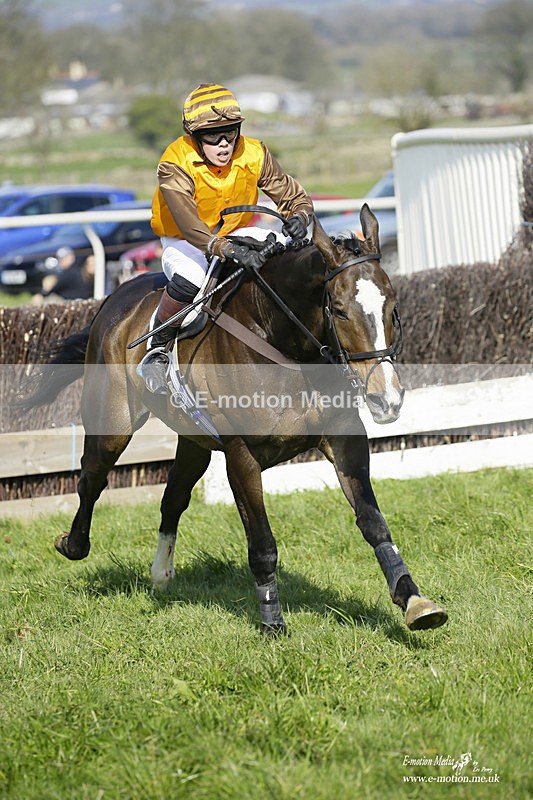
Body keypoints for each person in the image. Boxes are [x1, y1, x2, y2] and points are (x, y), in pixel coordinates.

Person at [137, 82, 314, 393]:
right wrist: (228, 250)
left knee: (288, 252)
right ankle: (157, 348)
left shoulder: (255, 152)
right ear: (193, 136)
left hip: (235, 230)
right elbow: (191, 226)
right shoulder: (174, 162)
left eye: (230, 133)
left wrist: (300, 217)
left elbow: (293, 196)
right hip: (185, 239)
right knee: (191, 279)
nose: (224, 144)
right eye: (212, 136)